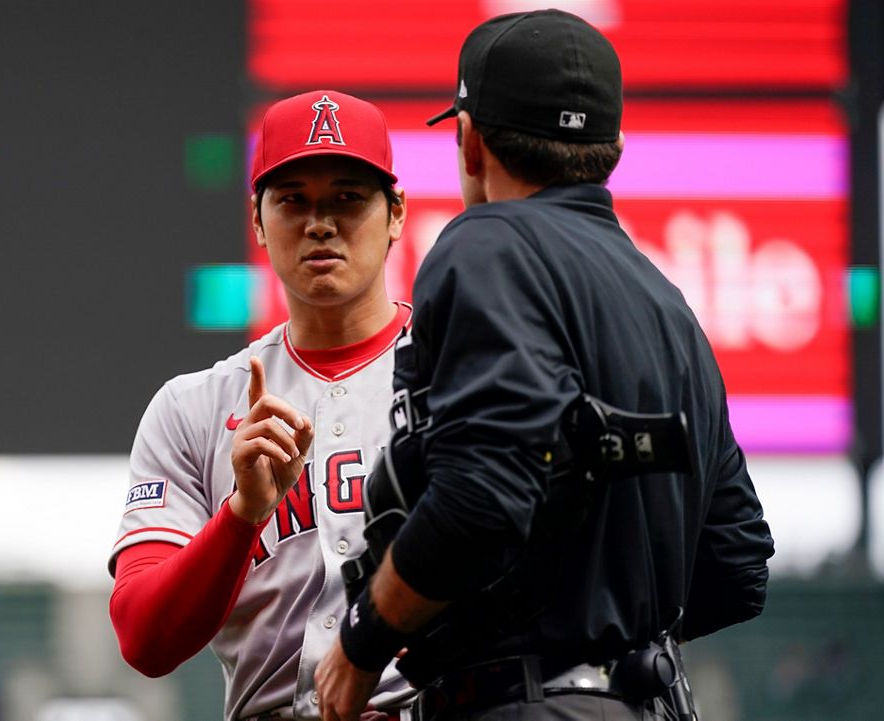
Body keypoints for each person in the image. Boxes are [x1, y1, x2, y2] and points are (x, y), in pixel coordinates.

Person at [315, 10, 775, 721]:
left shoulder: (486, 245)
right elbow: (738, 566)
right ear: (614, 145)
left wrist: (363, 641)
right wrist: (607, 643)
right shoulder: (667, 302)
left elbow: (482, 501)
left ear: (469, 141)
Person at [109, 90, 418, 720]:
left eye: (347, 198)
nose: (320, 223)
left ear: (396, 213)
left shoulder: (459, 379)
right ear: (257, 219)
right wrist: (241, 514)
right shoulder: (194, 407)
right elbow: (145, 639)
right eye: (292, 200)